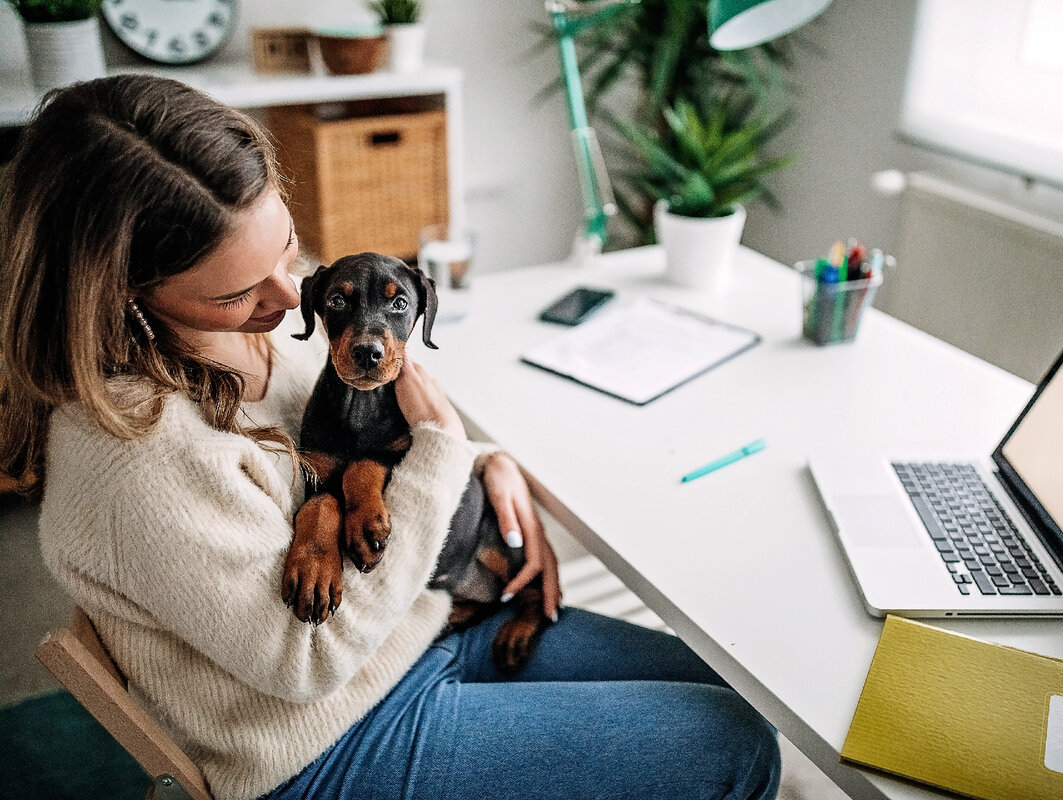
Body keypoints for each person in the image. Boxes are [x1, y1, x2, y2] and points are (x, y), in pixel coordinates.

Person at [0, 75, 781, 800]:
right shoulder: (139, 457)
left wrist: (485, 461)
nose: (288, 293)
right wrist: (445, 453)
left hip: (424, 620)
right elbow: (303, 660)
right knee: (737, 746)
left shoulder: (294, 316)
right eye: (239, 292)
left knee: (728, 685)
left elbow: (374, 436)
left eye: (285, 248)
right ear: (122, 290)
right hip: (326, 740)